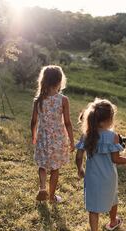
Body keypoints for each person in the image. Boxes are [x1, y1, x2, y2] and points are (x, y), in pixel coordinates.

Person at [75, 99, 126, 231]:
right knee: (113, 199)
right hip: (109, 178)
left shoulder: (86, 135)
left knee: (93, 208)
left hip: (92, 178)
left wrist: (80, 169)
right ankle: (113, 221)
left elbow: (79, 156)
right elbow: (116, 159)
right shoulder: (113, 136)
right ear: (108, 119)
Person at [31, 65, 74, 203]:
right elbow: (67, 122)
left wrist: (33, 135)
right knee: (55, 168)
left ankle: (43, 187)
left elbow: (33, 121)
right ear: (60, 81)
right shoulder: (63, 100)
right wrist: (72, 140)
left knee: (42, 165)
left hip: (43, 137)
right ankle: (51, 197)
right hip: (58, 139)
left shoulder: (39, 99)